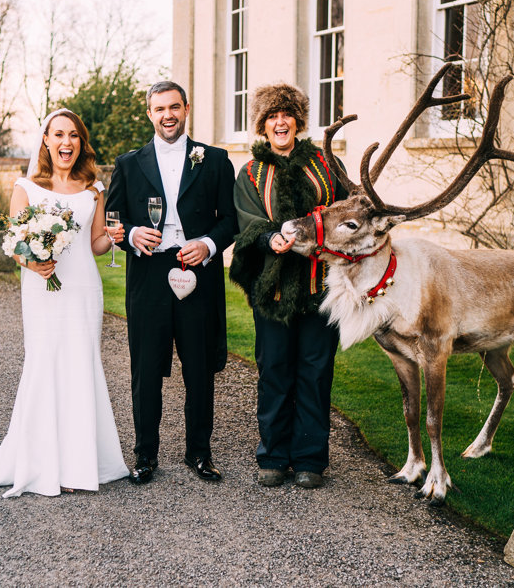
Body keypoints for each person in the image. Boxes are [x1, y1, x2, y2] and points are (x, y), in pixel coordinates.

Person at [0, 109, 130, 497]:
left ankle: (82, 464)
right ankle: (42, 461)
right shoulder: (26, 188)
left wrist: (113, 237)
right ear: (46, 141)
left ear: (81, 142)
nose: (66, 143)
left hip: (84, 287)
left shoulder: (94, 188)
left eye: (74, 136)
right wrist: (36, 263)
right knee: (46, 363)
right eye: (58, 135)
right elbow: (15, 247)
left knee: (82, 363)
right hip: (42, 288)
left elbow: (95, 243)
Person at [106, 81, 236, 484]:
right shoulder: (129, 164)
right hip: (148, 276)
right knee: (145, 369)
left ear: (187, 108)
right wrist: (130, 235)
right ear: (149, 113)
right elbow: (113, 219)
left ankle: (200, 453)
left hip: (197, 274)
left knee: (198, 369)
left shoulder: (214, 160)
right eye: (159, 109)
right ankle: (145, 455)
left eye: (174, 107)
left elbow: (230, 220)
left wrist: (208, 245)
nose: (167, 115)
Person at [229, 83, 349, 489]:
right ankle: (274, 456)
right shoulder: (250, 173)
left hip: (322, 286)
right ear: (262, 125)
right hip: (273, 290)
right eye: (271, 117)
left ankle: (310, 461)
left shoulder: (326, 164)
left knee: (316, 372)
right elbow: (247, 221)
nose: (280, 122)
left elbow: (347, 209)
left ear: (298, 120)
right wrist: (268, 239)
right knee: (275, 371)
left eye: (287, 114)